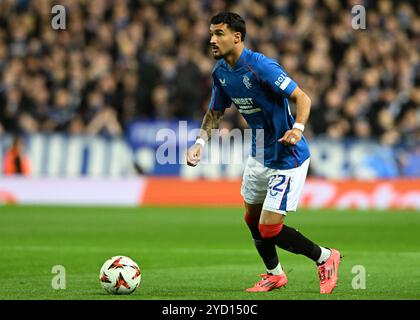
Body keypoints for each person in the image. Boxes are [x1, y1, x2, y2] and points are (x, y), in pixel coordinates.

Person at [186, 12, 341, 294]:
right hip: (258, 155)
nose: (211, 39)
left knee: (269, 228)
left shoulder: (261, 67)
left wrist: (298, 128)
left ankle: (326, 257)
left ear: (237, 36)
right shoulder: (220, 72)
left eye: (219, 33)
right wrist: (200, 143)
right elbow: (215, 112)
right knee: (251, 219)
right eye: (211, 33)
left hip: (287, 157)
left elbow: (302, 97)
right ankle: (275, 274)